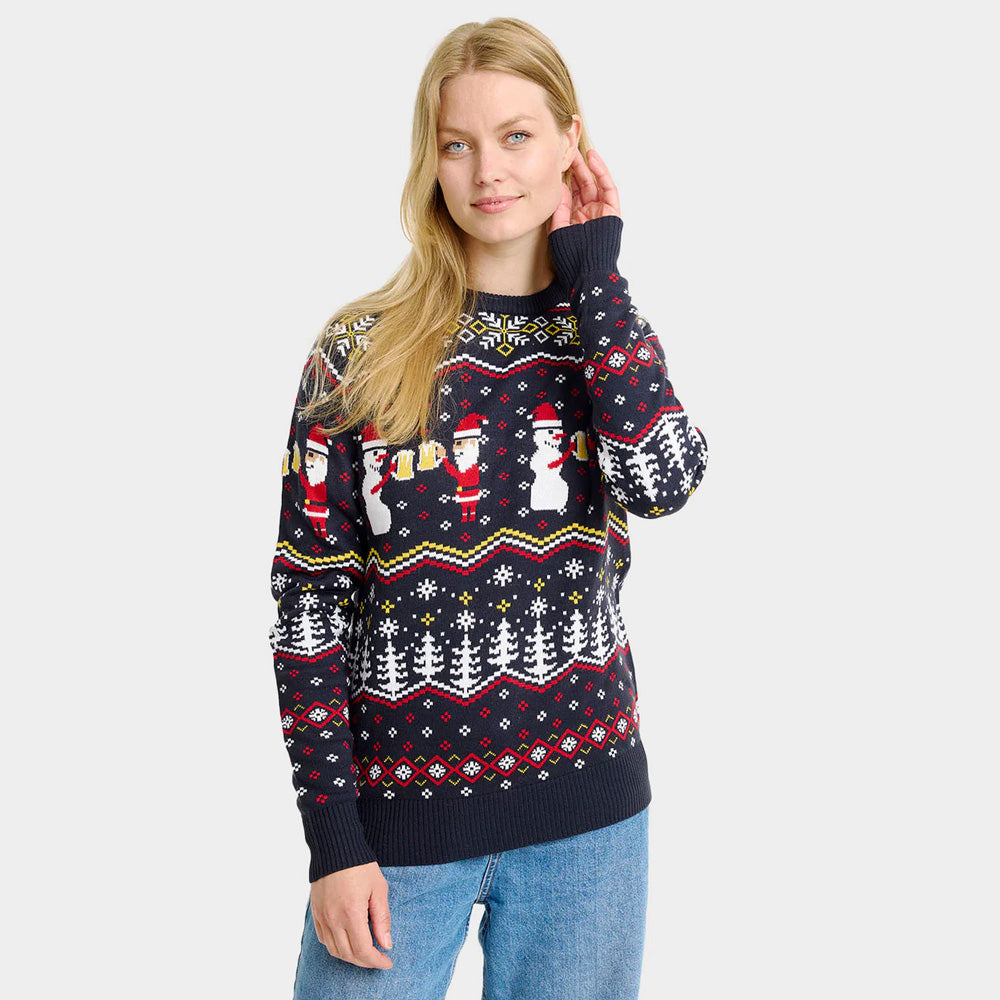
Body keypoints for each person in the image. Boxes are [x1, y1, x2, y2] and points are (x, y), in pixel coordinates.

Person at [267, 17, 709, 1000]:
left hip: (588, 823)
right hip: (396, 830)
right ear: (430, 161)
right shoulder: (358, 352)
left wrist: (597, 280)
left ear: (570, 142)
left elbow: (665, 480)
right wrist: (333, 840)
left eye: (516, 135)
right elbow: (307, 611)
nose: (488, 171)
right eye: (457, 143)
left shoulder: (602, 332)